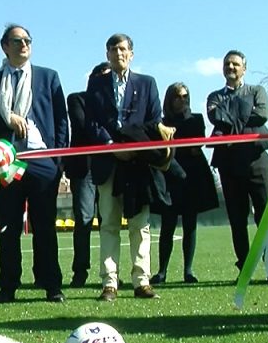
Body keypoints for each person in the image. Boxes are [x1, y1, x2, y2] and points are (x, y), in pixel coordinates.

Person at [0, 25, 69, 303]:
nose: (24, 45)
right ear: (5, 46)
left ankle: (51, 284)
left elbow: (62, 120)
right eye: (17, 41)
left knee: (44, 227)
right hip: (7, 162)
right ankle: (8, 286)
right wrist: (6, 120)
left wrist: (58, 161)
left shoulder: (48, 77)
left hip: (42, 160)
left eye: (27, 40)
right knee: (9, 226)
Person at [85, 33, 161, 302]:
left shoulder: (147, 83)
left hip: (137, 163)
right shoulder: (95, 85)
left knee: (140, 225)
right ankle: (109, 284)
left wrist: (130, 144)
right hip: (108, 161)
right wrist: (109, 144)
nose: (119, 53)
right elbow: (90, 122)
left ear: (132, 53)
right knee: (108, 223)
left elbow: (154, 121)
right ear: (107, 54)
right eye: (113, 49)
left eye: (123, 49)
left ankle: (142, 281)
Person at [207, 50, 268, 279]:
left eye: (236, 64)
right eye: (227, 64)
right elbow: (216, 117)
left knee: (265, 215)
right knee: (237, 219)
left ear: (244, 68)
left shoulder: (257, 91)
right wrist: (244, 112)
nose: (231, 67)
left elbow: (262, 115)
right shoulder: (214, 96)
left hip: (256, 162)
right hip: (228, 164)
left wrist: (231, 116)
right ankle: (245, 268)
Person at [152, 83, 218, 284]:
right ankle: (162, 271)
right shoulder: (161, 122)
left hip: (193, 176)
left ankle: (188, 271)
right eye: (178, 97)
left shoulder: (196, 119)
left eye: (186, 96)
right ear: (170, 100)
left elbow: (196, 144)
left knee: (190, 224)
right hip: (169, 176)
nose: (183, 100)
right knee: (168, 224)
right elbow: (164, 150)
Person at [65, 61, 109, 288]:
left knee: (109, 221)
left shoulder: (113, 104)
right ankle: (80, 271)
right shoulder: (77, 99)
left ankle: (109, 273)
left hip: (110, 166)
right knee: (83, 219)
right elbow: (83, 126)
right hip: (84, 169)